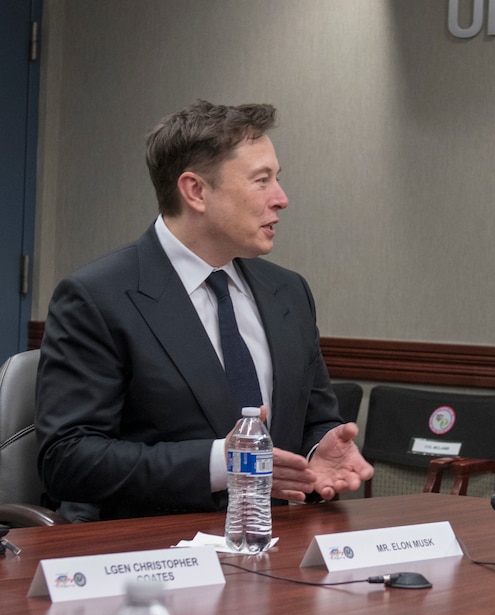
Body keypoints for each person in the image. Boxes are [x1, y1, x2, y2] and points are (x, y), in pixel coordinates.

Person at [36, 100, 373, 522]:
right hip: (152, 555)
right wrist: (221, 463)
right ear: (195, 190)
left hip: (276, 545)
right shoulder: (98, 296)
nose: (281, 199)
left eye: (278, 179)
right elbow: (68, 459)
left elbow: (316, 421)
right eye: (261, 180)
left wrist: (318, 447)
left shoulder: (288, 291)